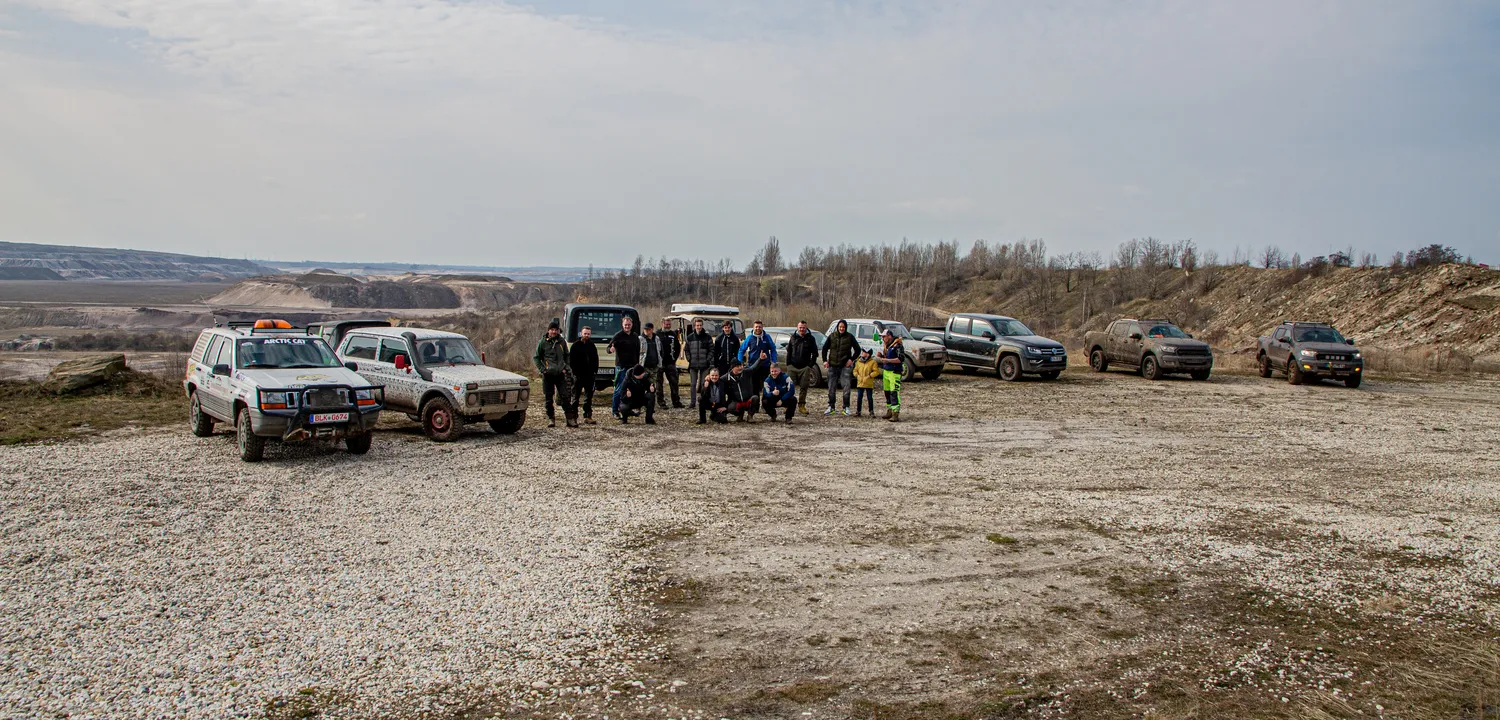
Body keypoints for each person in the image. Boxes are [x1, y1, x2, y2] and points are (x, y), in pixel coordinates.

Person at [532, 320, 577, 428]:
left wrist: (566, 367)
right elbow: (536, 357)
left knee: (565, 396)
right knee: (548, 398)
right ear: (548, 330)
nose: (554, 332)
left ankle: (570, 419)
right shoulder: (543, 342)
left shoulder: (562, 342)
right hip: (548, 374)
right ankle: (551, 418)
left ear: (558, 331)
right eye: (552, 330)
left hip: (560, 373)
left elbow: (567, 355)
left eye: (556, 330)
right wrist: (543, 369)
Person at [822, 319, 859, 416]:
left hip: (845, 367)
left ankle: (846, 407)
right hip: (833, 366)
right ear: (837, 327)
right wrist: (825, 360)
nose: (841, 328)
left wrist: (851, 359)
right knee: (831, 387)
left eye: (843, 327)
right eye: (840, 327)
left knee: (846, 387)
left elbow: (858, 350)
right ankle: (831, 407)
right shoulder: (832, 336)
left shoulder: (850, 337)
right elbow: (824, 348)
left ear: (845, 328)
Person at [608, 316, 640, 418]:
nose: (627, 326)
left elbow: (637, 351)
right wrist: (611, 350)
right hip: (621, 367)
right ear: (622, 325)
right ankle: (615, 410)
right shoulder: (618, 336)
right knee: (619, 389)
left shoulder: (635, 336)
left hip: (632, 367)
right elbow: (608, 347)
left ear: (632, 325)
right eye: (625, 325)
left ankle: (628, 409)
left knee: (631, 389)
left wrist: (637, 366)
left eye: (629, 325)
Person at [784, 320, 819, 414]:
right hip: (792, 366)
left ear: (806, 328)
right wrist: (788, 364)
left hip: (805, 367)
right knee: (789, 387)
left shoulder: (811, 339)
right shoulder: (793, 337)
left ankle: (802, 405)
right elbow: (789, 351)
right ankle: (788, 405)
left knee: (804, 387)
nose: (802, 329)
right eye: (800, 327)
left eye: (803, 327)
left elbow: (815, 353)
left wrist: (810, 365)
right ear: (797, 327)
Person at [737, 320, 777, 400]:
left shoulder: (767, 337)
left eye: (759, 327)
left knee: (766, 385)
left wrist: (773, 361)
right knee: (754, 386)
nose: (758, 329)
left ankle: (765, 404)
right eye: (756, 327)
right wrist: (740, 361)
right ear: (753, 327)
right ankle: (756, 404)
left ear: (762, 327)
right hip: (753, 366)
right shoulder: (750, 338)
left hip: (765, 365)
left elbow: (773, 349)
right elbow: (741, 350)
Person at [569, 325, 599, 424]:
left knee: (588, 398)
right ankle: (573, 417)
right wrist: (575, 373)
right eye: (585, 333)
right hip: (578, 376)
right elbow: (571, 361)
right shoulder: (575, 345)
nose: (586, 335)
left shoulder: (592, 346)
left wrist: (595, 372)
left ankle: (587, 416)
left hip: (589, 376)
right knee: (575, 398)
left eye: (588, 334)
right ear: (581, 333)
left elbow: (595, 360)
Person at [683, 318, 714, 409]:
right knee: (693, 384)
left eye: (700, 325)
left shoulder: (707, 337)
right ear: (694, 326)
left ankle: (703, 401)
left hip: (704, 365)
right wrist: (689, 359)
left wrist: (708, 359)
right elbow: (686, 350)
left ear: (702, 326)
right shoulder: (690, 337)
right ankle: (692, 403)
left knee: (703, 384)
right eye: (697, 325)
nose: (699, 327)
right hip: (693, 365)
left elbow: (712, 350)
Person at [875, 328, 904, 421]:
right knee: (887, 392)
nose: (883, 339)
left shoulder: (897, 345)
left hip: (894, 372)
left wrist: (888, 360)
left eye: (884, 337)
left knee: (894, 392)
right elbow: (887, 357)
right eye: (882, 337)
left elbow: (900, 359)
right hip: (886, 371)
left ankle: (895, 413)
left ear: (889, 336)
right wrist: (881, 356)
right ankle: (890, 410)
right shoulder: (887, 346)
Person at [655, 319, 684, 409]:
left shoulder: (673, 334)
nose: (668, 326)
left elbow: (678, 347)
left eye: (669, 324)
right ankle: (661, 402)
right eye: (666, 324)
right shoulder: (657, 334)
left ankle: (676, 402)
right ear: (662, 324)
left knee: (674, 383)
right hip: (660, 363)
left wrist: (674, 359)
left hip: (671, 363)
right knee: (659, 384)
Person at [641, 322, 663, 410]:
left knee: (652, 386)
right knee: (643, 386)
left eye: (648, 329)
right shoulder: (640, 339)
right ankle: (642, 403)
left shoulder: (656, 339)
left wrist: (659, 362)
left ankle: (651, 404)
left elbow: (661, 351)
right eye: (645, 329)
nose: (646, 331)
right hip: (644, 366)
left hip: (654, 367)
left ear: (652, 329)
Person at [853, 347, 880, 417]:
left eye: (864, 352)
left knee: (869, 398)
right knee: (859, 397)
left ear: (868, 354)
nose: (862, 353)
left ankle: (871, 411)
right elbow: (855, 370)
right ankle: (858, 411)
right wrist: (857, 375)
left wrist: (869, 376)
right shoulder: (858, 361)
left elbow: (876, 372)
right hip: (860, 383)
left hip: (868, 383)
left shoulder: (873, 362)